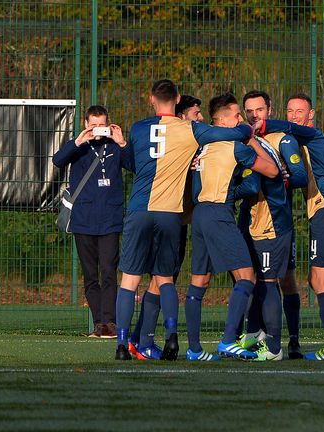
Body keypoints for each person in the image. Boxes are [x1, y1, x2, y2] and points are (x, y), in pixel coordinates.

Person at [114, 79, 253, 361]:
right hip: (169, 213)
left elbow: (130, 163)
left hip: (139, 209)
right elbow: (226, 135)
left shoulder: (139, 128)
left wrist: (121, 144)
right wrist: (246, 127)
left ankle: (121, 344)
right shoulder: (190, 130)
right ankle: (173, 337)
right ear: (178, 99)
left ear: (152, 98)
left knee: (129, 280)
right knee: (165, 279)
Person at [255, 93, 324, 361]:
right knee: (319, 280)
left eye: (300, 111)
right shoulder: (303, 143)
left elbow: (288, 131)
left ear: (311, 115)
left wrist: (258, 126)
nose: (293, 116)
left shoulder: (310, 135)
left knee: (319, 280)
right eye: (290, 111)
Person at [185, 93, 279, 361]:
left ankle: (193, 349)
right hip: (218, 212)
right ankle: (227, 341)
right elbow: (272, 170)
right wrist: (251, 140)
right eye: (237, 115)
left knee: (199, 281)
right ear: (223, 119)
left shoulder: (202, 147)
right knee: (247, 277)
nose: (241, 119)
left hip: (200, 214)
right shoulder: (234, 146)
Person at [128, 94, 203, 360]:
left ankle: (138, 338)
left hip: (178, 220)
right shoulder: (180, 142)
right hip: (168, 217)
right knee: (162, 279)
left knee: (161, 280)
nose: (200, 119)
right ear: (182, 118)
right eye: (196, 114)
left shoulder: (191, 144)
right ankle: (145, 339)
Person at [238, 90, 308, 359]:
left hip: (275, 220)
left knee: (284, 280)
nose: (254, 115)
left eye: (259, 110)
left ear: (269, 109)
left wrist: (278, 176)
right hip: (250, 218)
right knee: (253, 278)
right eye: (249, 111)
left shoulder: (283, 139)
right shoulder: (244, 139)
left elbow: (300, 176)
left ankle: (289, 341)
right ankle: (256, 334)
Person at [52, 105, 131, 339]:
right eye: (93, 125)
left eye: (102, 125)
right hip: (83, 220)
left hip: (109, 219)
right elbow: (58, 160)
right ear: (86, 124)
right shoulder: (79, 147)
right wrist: (78, 141)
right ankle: (99, 323)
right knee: (90, 276)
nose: (98, 130)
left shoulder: (115, 146)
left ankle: (110, 323)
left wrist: (122, 142)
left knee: (108, 272)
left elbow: (134, 165)